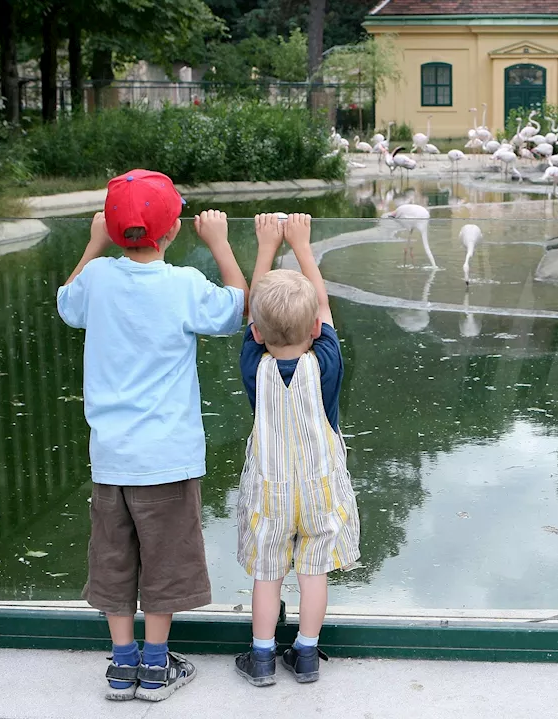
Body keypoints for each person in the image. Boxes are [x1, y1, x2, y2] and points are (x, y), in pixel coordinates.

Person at [56, 170, 248, 702]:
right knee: (165, 560)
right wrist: (221, 243)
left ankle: (122, 667)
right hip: (167, 457)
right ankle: (157, 666)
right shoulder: (183, 285)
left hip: (111, 457)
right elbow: (237, 307)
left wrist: (92, 245)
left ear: (112, 230)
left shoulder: (96, 280)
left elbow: (66, 304)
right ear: (173, 230)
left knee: (115, 558)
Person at [234, 213, 361, 687]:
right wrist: (303, 246)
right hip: (319, 489)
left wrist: (265, 246)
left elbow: (253, 315)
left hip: (269, 492)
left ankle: (262, 658)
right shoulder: (326, 362)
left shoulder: (254, 365)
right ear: (313, 330)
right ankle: (305, 654)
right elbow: (322, 304)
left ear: (259, 336)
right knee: (314, 573)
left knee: (267, 575)